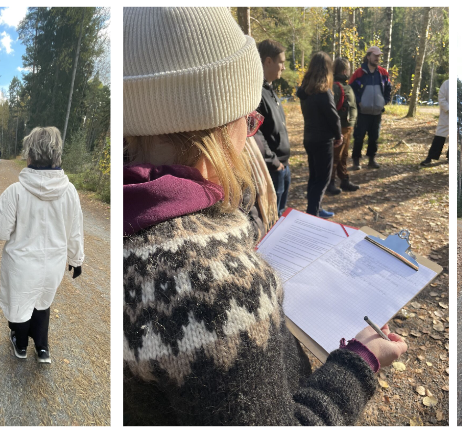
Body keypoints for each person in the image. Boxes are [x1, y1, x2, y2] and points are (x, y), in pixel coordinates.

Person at [123, 7, 406, 425]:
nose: (250, 132)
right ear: (222, 127)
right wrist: (359, 361)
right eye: (249, 120)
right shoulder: (217, 288)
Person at [0, 127, 84, 364]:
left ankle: (20, 345)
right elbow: (75, 230)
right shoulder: (69, 192)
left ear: (29, 154)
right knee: (43, 302)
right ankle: (42, 349)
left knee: (21, 305)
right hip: (53, 264)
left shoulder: (15, 192)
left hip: (21, 265)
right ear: (56, 155)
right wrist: (76, 260)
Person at [297, 51, 342, 219]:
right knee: (322, 179)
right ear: (327, 70)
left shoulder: (305, 91)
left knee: (314, 177)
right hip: (322, 141)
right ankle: (313, 213)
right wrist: (339, 135)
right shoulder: (323, 92)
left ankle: (316, 208)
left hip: (309, 138)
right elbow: (333, 116)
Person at [254, 39, 292, 216]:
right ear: (268, 61)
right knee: (272, 220)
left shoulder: (269, 89)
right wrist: (273, 162)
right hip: (272, 170)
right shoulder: (255, 93)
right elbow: (255, 132)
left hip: (282, 166)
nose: (283, 67)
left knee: (280, 214)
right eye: (281, 62)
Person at [348, 46, 391, 170]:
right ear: (368, 57)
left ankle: (372, 159)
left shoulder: (383, 73)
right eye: (375, 56)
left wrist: (385, 101)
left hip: (377, 112)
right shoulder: (359, 73)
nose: (377, 58)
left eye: (379, 56)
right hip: (362, 112)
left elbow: (388, 88)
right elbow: (351, 89)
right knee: (359, 136)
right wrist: (358, 102)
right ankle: (356, 160)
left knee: (374, 137)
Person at [327, 57, 360, 195]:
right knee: (336, 156)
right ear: (345, 70)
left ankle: (344, 180)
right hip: (340, 127)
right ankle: (330, 182)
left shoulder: (344, 85)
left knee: (344, 155)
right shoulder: (335, 86)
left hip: (347, 127)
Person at [421, 80, 449, 166]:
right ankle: (430, 157)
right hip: (447, 115)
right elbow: (441, 98)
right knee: (440, 136)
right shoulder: (447, 83)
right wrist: (449, 109)